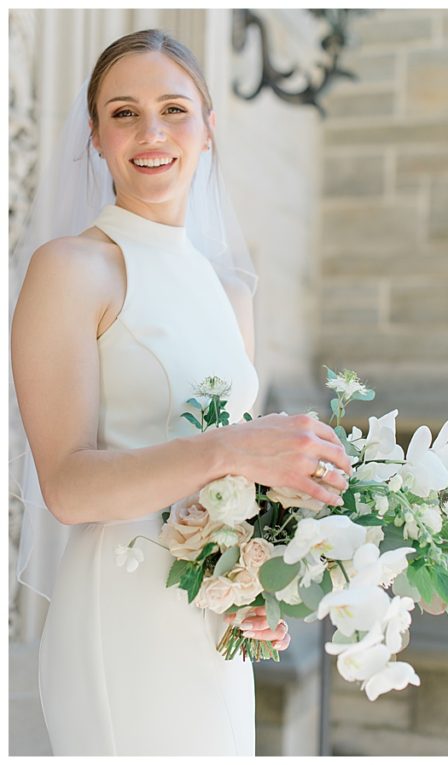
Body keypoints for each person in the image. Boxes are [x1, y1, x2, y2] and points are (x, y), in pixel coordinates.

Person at [11, 29, 352, 755]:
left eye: (174, 109)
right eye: (124, 112)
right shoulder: (71, 269)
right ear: (96, 138)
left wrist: (251, 588)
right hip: (121, 606)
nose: (151, 132)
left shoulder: (231, 292)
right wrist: (232, 445)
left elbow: (233, 488)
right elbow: (68, 486)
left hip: (210, 620)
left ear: (208, 129)